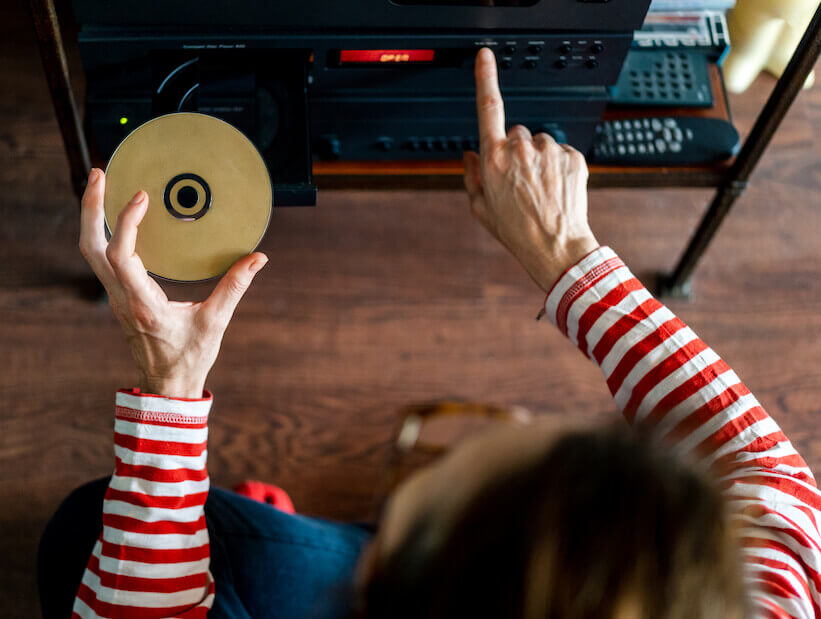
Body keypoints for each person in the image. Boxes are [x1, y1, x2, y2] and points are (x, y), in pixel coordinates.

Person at [38, 48, 820, 619]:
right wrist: (571, 259)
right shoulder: (769, 594)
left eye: (426, 488)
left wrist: (170, 390)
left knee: (85, 531)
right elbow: (774, 486)